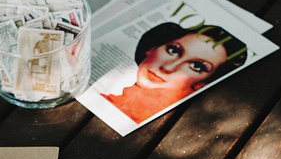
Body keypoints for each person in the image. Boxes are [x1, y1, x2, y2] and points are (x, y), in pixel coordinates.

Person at [102, 22, 247, 124]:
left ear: (203, 84)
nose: (169, 67)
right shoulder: (104, 103)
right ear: (152, 49)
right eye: (173, 50)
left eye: (197, 66)